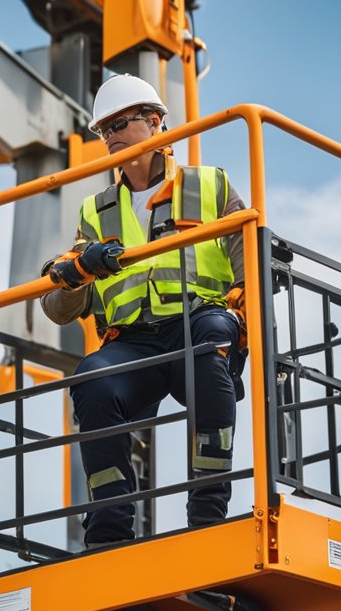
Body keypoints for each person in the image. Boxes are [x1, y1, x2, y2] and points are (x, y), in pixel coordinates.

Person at [42, 74, 247, 549]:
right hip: (134, 342)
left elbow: (249, 260)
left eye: (121, 122)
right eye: (103, 128)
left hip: (199, 322)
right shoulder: (95, 212)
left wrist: (248, 325)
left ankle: (207, 517)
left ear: (155, 123)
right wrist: (79, 270)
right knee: (92, 377)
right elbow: (56, 307)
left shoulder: (209, 185)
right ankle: (109, 533)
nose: (111, 134)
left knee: (211, 341)